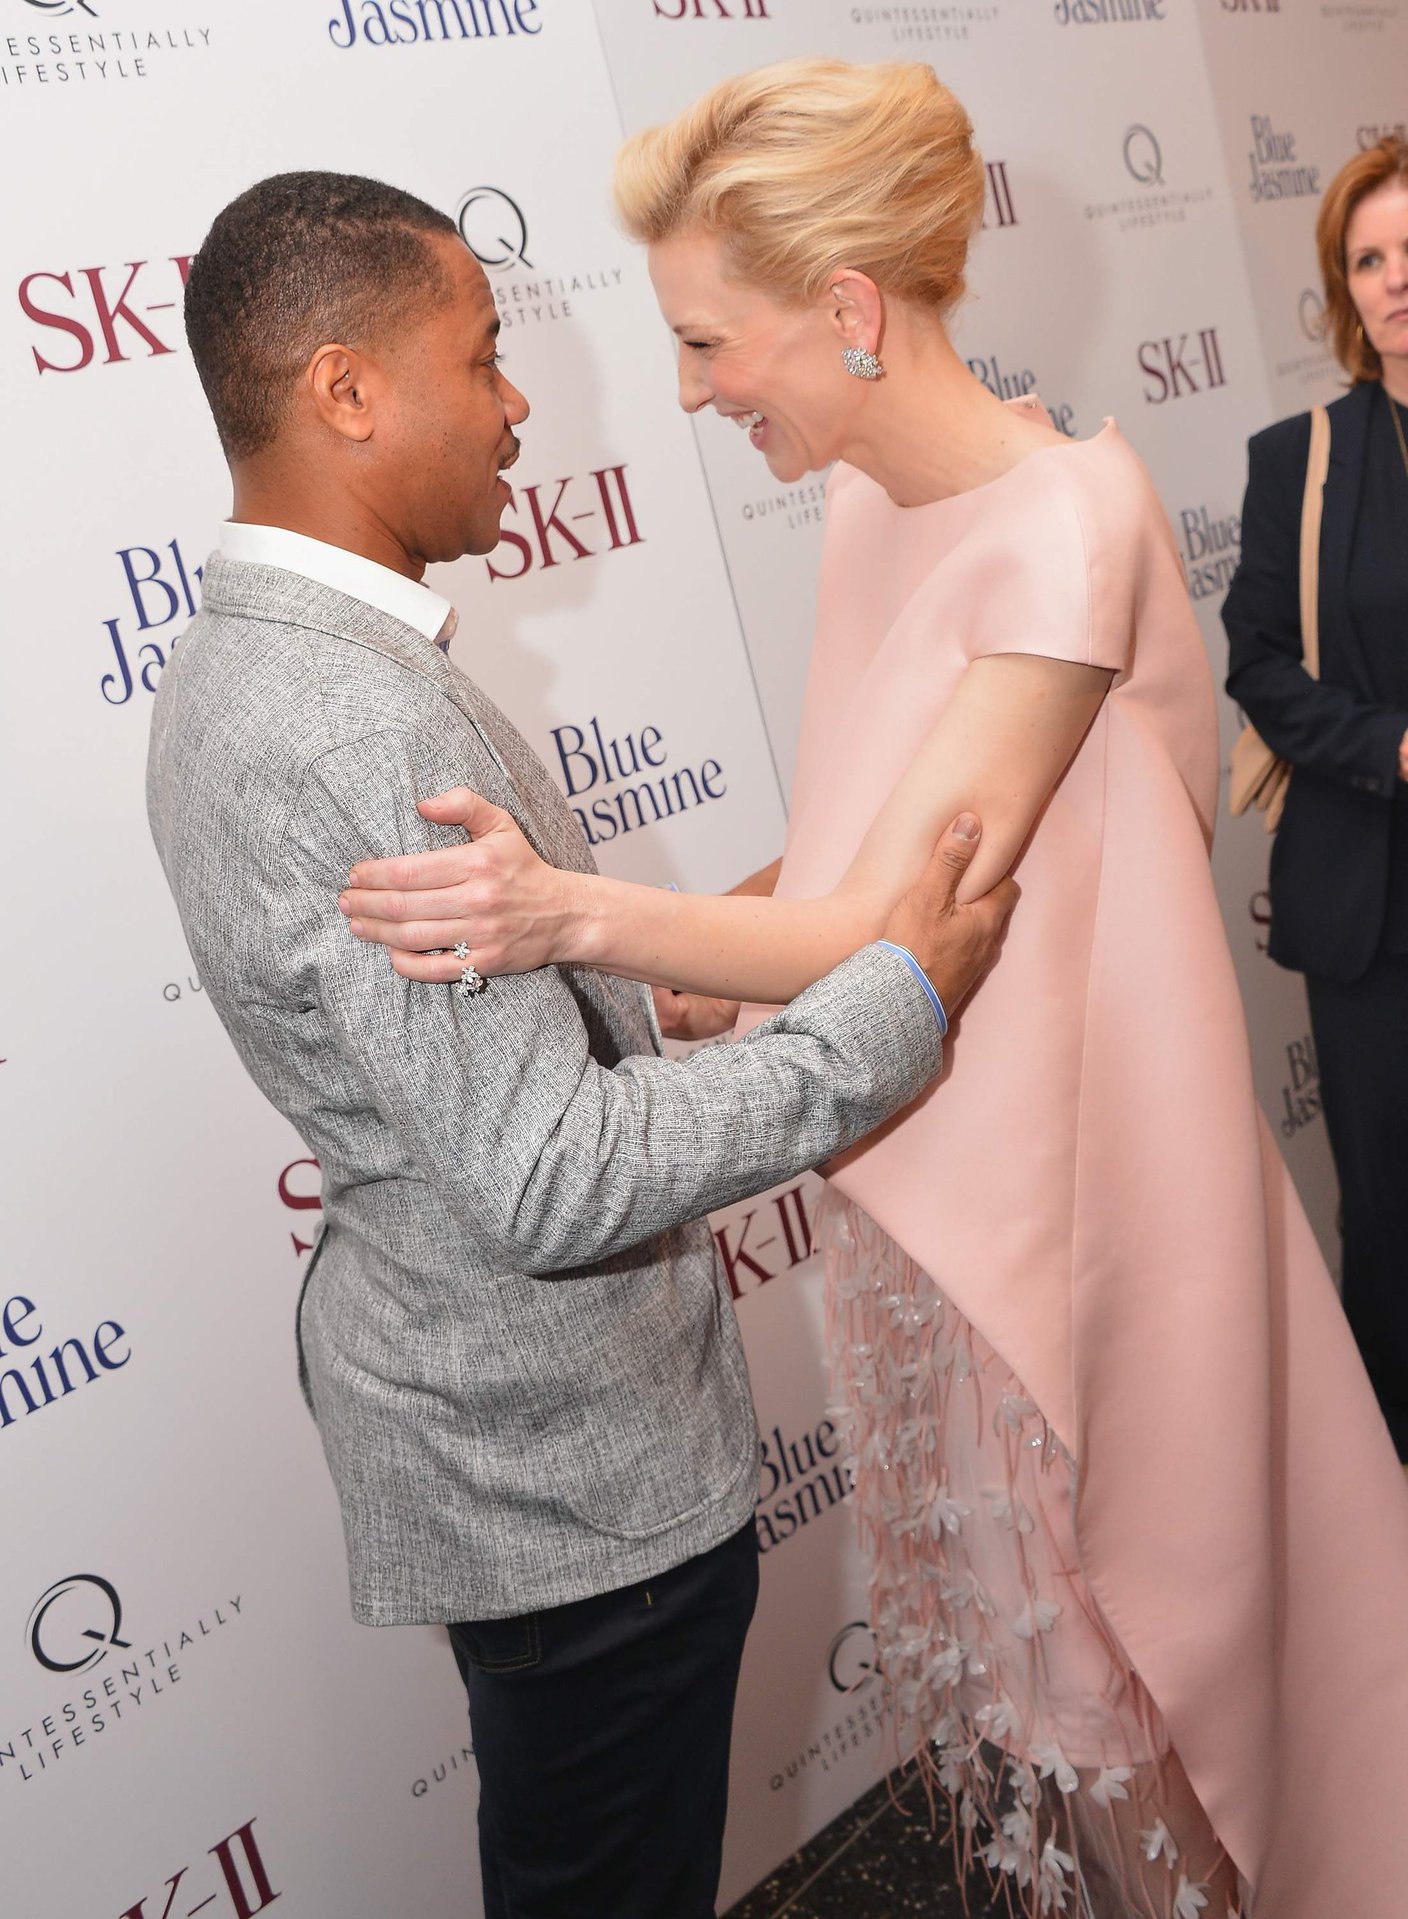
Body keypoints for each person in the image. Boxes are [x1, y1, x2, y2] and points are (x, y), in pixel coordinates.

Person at [340, 62, 1408, 1919]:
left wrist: (563, 915)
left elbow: (885, 941)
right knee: (1046, 1689)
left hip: (1086, 1201)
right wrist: (701, 966)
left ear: (844, 312)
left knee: (1158, 1671)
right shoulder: (864, 514)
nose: (687, 394)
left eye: (706, 342)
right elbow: (850, 866)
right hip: (925, 1179)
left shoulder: (1069, 513)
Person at [145, 171, 1018, 1919]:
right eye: (481, 359)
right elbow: (548, 1177)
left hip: (519, 1446)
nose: (521, 403)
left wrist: (646, 999)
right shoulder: (340, 722)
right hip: (566, 1485)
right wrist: (892, 1007)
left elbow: (481, 1069)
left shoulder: (270, 667)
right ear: (345, 390)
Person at [1223, 137, 1408, 1466]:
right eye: (1370, 258)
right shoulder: (1309, 458)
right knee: (1393, 1223)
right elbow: (1258, 659)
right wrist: (1386, 749)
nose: (1397, 280)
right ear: (1345, 292)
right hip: (1372, 911)